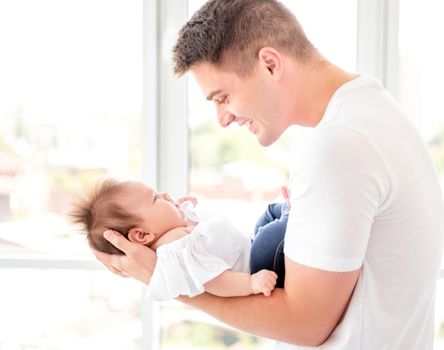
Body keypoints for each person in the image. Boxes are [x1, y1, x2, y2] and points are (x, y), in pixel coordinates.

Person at [91, 0, 444, 349]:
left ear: (270, 64)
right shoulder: (371, 112)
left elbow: (307, 325)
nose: (222, 118)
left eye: (223, 96)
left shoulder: (337, 144)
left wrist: (167, 279)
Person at [70, 178, 279, 299]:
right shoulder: (175, 247)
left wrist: (185, 211)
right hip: (256, 264)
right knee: (273, 233)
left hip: (252, 242)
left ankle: (287, 209)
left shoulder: (177, 229)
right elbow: (215, 281)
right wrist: (251, 284)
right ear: (142, 235)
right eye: (156, 198)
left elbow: (205, 232)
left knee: (269, 213)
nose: (166, 196)